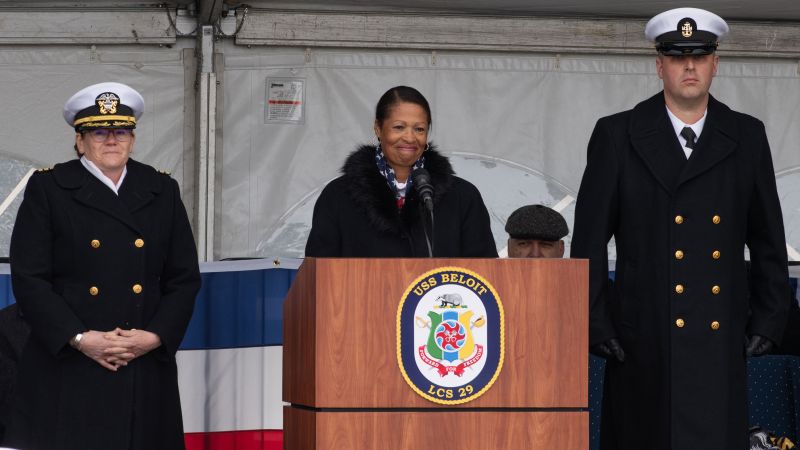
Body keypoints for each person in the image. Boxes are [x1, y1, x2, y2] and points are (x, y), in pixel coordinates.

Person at [571, 8, 790, 450]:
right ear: (659, 65)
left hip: (717, 341)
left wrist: (769, 317)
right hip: (644, 340)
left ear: (715, 63)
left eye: (699, 55)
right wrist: (597, 325)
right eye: (676, 56)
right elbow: (589, 242)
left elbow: (767, 238)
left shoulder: (746, 135)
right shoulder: (618, 134)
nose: (689, 66)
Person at [3, 82, 201, 449]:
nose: (112, 140)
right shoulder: (49, 188)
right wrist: (80, 339)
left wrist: (155, 337)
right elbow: (30, 278)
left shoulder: (162, 189)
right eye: (99, 131)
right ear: (80, 141)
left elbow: (184, 278)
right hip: (70, 361)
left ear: (132, 139)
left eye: (121, 130)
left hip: (141, 358)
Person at [305, 85, 497, 257]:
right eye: (399, 127)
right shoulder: (337, 196)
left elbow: (484, 274)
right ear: (378, 128)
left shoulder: (463, 197)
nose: (410, 137)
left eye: (419, 129)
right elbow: (319, 274)